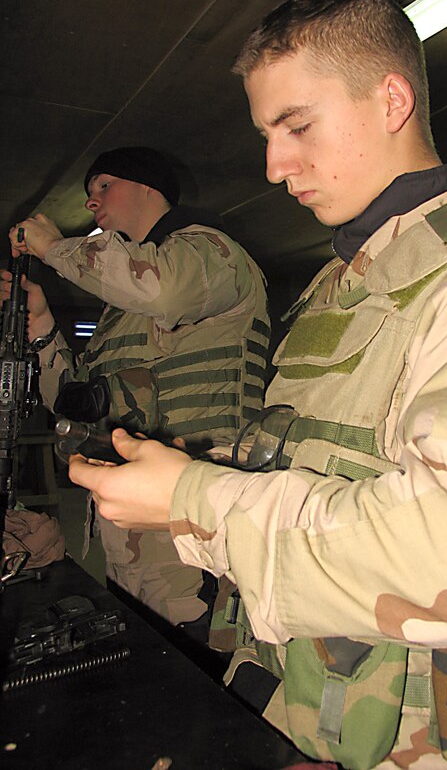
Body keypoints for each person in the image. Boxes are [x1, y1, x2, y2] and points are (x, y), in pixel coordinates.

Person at [68, 0, 447, 769]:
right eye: (266, 134)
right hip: (316, 712)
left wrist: (193, 499)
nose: (274, 165)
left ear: (391, 101)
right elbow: (317, 467)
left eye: (296, 126)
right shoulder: (339, 284)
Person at [4, 146, 270, 626]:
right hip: (131, 528)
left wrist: (54, 248)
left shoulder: (211, 253)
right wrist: (41, 323)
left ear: (150, 188)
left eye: (105, 185)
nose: (92, 201)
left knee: (195, 655)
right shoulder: (121, 308)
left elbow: (162, 288)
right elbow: (76, 400)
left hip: (194, 518)